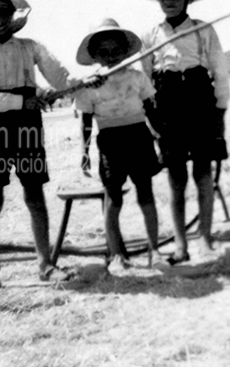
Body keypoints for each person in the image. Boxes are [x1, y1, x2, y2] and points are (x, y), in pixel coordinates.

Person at [0, 0, 99, 288]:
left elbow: (60, 77)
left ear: (12, 14)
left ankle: (45, 264)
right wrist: (24, 101)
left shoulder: (30, 47)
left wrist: (85, 81)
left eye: (3, 11)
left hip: (27, 126)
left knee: (34, 194)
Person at [136, 0, 230, 263]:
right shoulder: (150, 35)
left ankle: (205, 239)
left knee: (203, 174)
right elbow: (143, 80)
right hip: (167, 106)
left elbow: (220, 72)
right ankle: (180, 245)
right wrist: (151, 117)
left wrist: (220, 112)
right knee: (176, 178)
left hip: (200, 102)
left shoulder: (203, 30)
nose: (169, 1)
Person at [74, 18, 166, 271]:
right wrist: (84, 152)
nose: (111, 57)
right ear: (94, 55)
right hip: (110, 142)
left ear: (125, 52)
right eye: (104, 52)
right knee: (113, 199)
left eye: (116, 51)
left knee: (145, 194)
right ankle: (116, 254)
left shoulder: (137, 78)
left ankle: (154, 250)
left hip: (139, 138)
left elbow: (151, 111)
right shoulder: (89, 85)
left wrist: (161, 139)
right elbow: (85, 122)